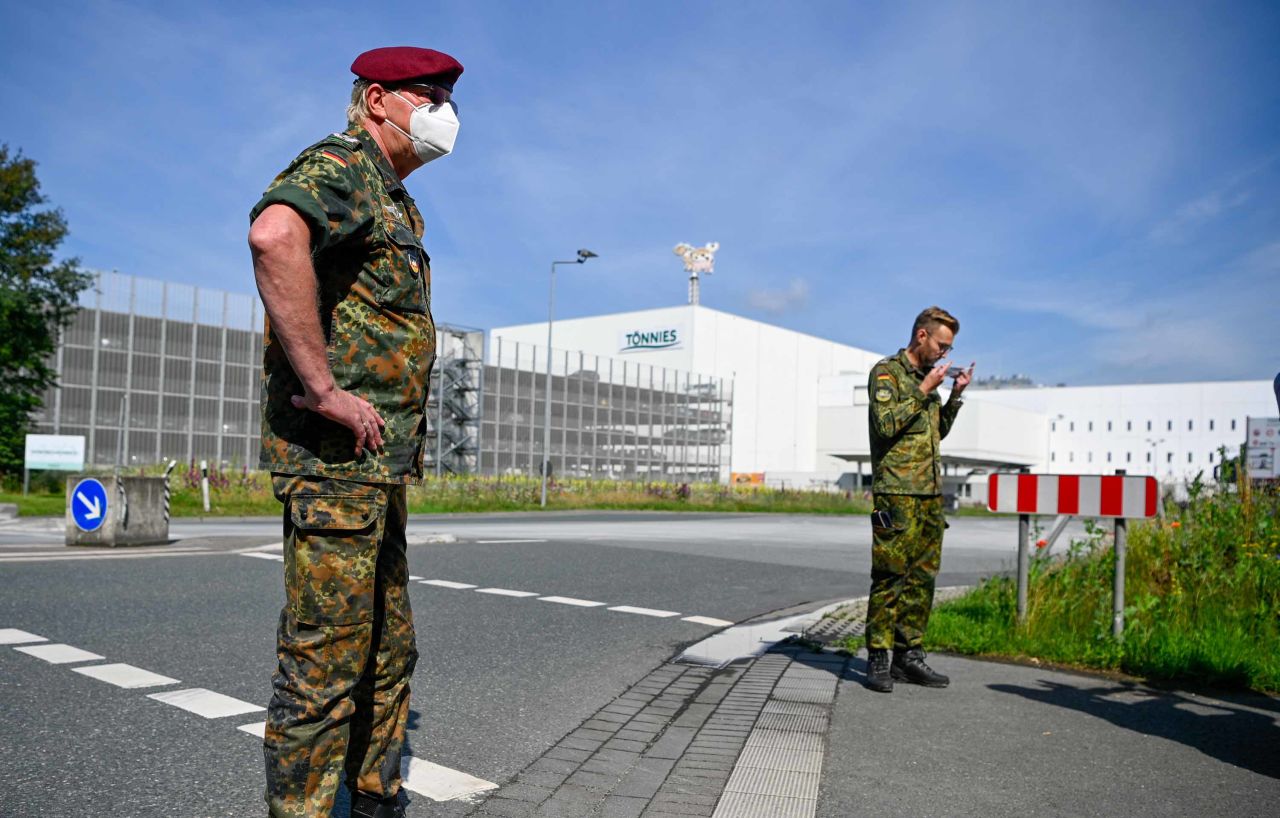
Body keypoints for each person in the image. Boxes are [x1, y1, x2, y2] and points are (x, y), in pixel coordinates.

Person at [247, 46, 463, 818]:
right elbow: (275, 237)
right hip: (336, 469)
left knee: (386, 647)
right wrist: (323, 388)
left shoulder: (393, 196)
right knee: (326, 660)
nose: (446, 112)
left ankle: (373, 795)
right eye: (429, 94)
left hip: (376, 469)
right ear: (377, 100)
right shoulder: (341, 164)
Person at [864, 306, 973, 693]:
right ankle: (878, 656)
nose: (945, 354)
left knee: (922, 579)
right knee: (890, 576)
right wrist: (926, 389)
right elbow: (886, 424)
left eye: (950, 348)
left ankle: (907, 657)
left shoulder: (930, 381)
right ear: (922, 336)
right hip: (895, 492)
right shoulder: (887, 372)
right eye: (942, 345)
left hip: (929, 493)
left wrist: (954, 397)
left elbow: (934, 433)